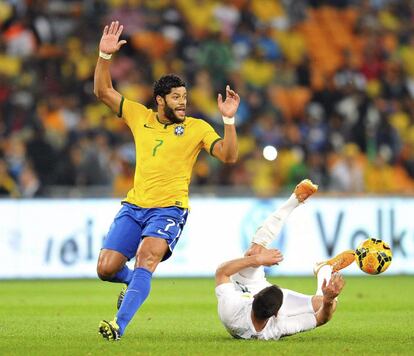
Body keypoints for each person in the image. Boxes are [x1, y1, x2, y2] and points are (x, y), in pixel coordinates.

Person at [94, 21, 240, 341]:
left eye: (184, 97)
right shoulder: (139, 116)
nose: (182, 103)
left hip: (169, 209)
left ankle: (119, 324)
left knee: (148, 257)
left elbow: (228, 156)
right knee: (105, 268)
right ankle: (132, 283)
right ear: (160, 100)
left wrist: (228, 120)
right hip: (134, 206)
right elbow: (103, 91)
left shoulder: (197, 128)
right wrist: (104, 57)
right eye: (176, 98)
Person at [215, 179, 355, 340]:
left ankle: (295, 199)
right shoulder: (280, 327)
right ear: (278, 313)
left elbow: (221, 273)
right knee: (325, 303)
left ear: (253, 298)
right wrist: (329, 300)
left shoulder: (231, 310)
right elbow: (322, 318)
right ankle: (324, 270)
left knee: (254, 251)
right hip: (264, 305)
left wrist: (258, 259)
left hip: (246, 287)